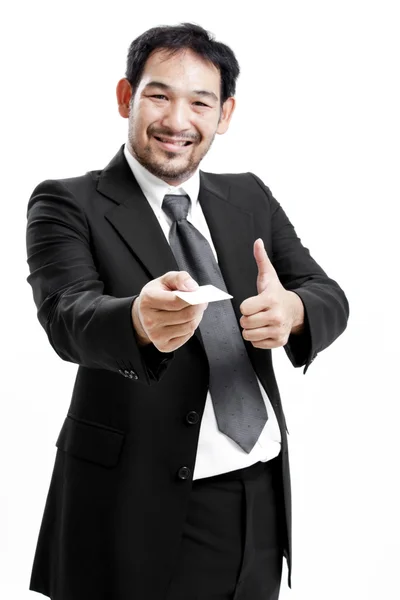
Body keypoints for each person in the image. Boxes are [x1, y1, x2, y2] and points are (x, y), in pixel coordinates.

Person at [25, 22, 349, 600]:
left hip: (260, 498)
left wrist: (294, 309)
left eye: (200, 102)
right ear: (127, 98)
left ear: (224, 114)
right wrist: (137, 321)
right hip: (136, 509)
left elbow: (327, 293)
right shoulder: (67, 200)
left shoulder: (248, 195)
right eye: (159, 95)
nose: (177, 121)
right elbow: (67, 315)